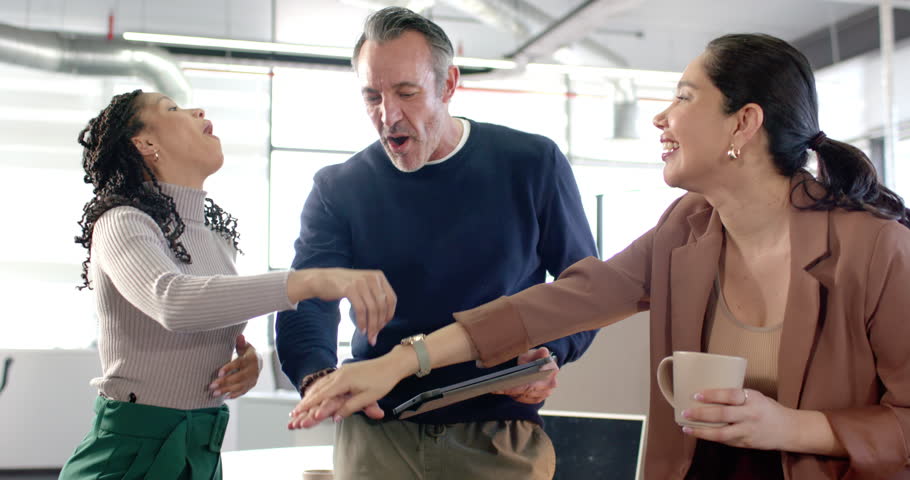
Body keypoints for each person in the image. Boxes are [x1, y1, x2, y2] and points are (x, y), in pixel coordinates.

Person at [293, 33, 910, 480]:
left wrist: (791, 428)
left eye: (685, 98)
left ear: (743, 124)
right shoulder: (686, 229)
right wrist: (403, 360)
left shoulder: (874, 246)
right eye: (373, 94)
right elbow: (569, 299)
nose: (661, 117)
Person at [275, 6, 599, 480]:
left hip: (496, 434)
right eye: (372, 97)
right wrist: (317, 375)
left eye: (407, 93)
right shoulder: (338, 187)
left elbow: (583, 287)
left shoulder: (531, 164)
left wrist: (554, 350)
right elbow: (308, 299)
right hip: (378, 435)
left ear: (447, 86)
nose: (389, 115)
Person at [59, 89, 395, 480]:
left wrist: (240, 365)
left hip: (202, 449)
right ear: (145, 143)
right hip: (130, 455)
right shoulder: (122, 222)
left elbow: (203, 321)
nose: (197, 110)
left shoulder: (216, 241)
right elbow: (173, 303)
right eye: (172, 108)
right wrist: (309, 281)